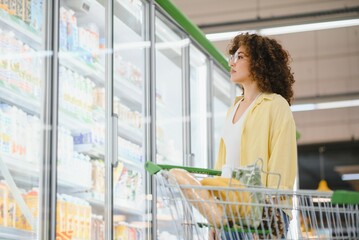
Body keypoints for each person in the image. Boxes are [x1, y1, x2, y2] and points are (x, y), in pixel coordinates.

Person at [214, 33, 298, 239]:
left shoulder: (276, 105)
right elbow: (222, 166)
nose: (232, 62)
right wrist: (214, 216)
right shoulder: (232, 109)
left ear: (260, 62)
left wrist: (266, 215)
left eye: (240, 57)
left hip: (265, 216)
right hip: (231, 213)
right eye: (232, 56)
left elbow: (282, 165)